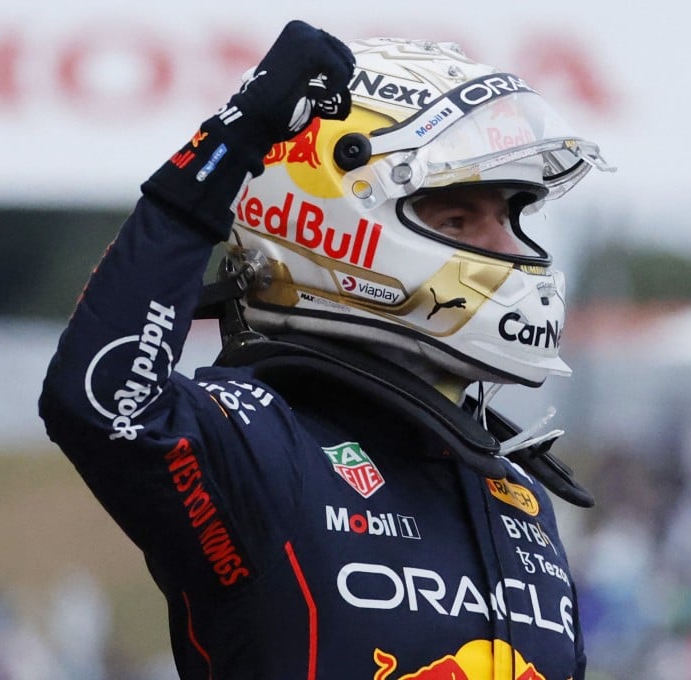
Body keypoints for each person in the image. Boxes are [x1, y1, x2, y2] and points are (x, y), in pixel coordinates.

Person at [39, 19, 613, 679]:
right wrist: (228, 144)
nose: (513, 250)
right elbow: (101, 403)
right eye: (458, 218)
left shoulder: (519, 495)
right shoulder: (259, 444)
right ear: (336, 227)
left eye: (513, 214)